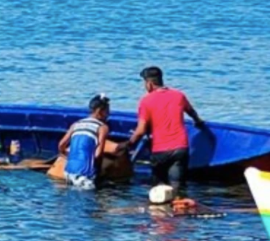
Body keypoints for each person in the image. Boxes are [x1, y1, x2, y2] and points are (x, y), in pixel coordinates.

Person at [119, 66, 204, 198]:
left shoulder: (146, 101)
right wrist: (198, 122)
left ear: (149, 84)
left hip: (160, 150)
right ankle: (179, 211)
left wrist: (129, 143)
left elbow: (141, 130)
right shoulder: (179, 95)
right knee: (177, 186)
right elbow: (191, 112)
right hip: (181, 147)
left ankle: (160, 215)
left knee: (158, 188)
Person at [57, 94, 111, 189]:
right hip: (85, 175)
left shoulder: (76, 124)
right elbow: (98, 155)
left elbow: (61, 145)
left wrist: (67, 155)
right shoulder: (102, 128)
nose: (109, 114)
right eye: (107, 111)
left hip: (68, 172)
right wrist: (99, 173)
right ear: (100, 111)